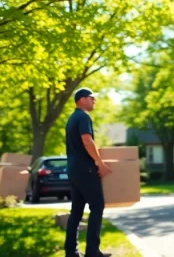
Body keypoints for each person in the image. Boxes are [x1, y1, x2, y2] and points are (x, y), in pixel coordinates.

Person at [65, 87, 112, 257]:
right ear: (82, 99)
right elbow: (87, 140)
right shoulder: (83, 116)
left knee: (76, 212)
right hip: (85, 170)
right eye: (92, 98)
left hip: (73, 170)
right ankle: (92, 251)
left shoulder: (71, 118)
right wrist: (99, 162)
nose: (94, 101)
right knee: (97, 206)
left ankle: (70, 252)